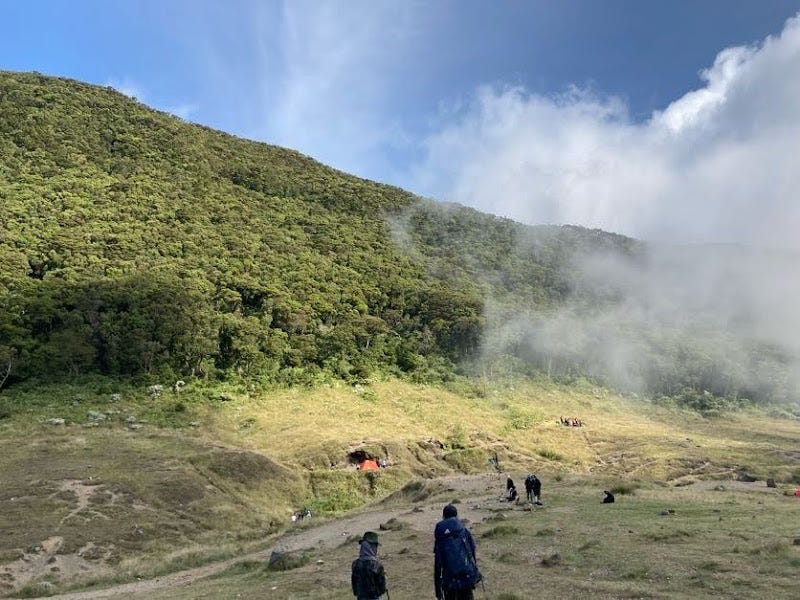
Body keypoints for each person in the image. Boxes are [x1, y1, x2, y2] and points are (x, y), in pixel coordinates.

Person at [434, 504, 482, 600]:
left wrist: (438, 590)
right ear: (456, 516)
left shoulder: (441, 535)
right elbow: (472, 552)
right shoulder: (463, 530)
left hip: (449, 580)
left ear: (443, 516)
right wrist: (474, 573)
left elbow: (438, 564)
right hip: (466, 576)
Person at [351, 531, 388, 600]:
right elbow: (382, 589)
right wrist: (384, 578)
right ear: (373, 547)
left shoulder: (355, 564)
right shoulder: (377, 566)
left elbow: (355, 588)